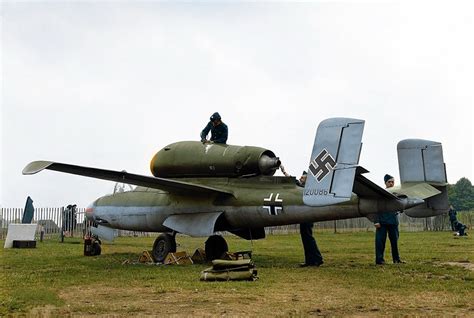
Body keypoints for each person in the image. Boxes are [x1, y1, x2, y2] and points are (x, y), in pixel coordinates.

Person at [281, 166, 324, 267]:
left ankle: (316, 259)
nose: (300, 179)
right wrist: (284, 171)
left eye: (302, 178)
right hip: (306, 216)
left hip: (307, 217)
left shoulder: (308, 189)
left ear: (307, 180)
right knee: (306, 237)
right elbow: (293, 180)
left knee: (307, 237)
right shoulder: (305, 187)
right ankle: (312, 260)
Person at [374, 174, 404, 265]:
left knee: (394, 242)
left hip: (393, 222)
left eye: (392, 182)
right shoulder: (380, 194)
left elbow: (401, 205)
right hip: (382, 222)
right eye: (389, 182)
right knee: (380, 243)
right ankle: (379, 260)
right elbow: (375, 208)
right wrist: (376, 221)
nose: (391, 184)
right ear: (385, 183)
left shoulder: (397, 194)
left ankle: (396, 260)